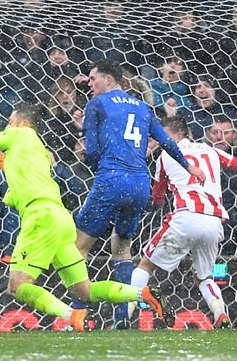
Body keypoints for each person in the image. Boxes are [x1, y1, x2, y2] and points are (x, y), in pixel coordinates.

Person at [0, 102, 175, 332]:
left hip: (41, 219)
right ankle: (143, 293)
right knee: (84, 290)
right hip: (60, 220)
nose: (7, 127)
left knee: (17, 286)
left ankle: (71, 316)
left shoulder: (20, 135)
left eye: (10, 122)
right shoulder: (37, 154)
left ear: (24, 123)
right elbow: (12, 195)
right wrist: (4, 162)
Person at [74, 58, 205, 330]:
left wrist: (102, 170)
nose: (89, 83)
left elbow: (94, 151)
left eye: (93, 78)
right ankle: (122, 318)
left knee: (78, 248)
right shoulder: (143, 108)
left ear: (108, 79)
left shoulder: (96, 104)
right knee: (122, 248)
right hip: (139, 184)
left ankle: (77, 317)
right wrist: (188, 165)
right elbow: (166, 141)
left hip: (112, 179)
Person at [130, 116, 237, 329]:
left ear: (180, 134)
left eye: (165, 136)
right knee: (204, 276)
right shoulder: (212, 151)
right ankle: (221, 313)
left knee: (146, 265)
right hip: (215, 221)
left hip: (186, 217)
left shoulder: (165, 155)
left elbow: (157, 196)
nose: (162, 140)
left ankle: (125, 314)